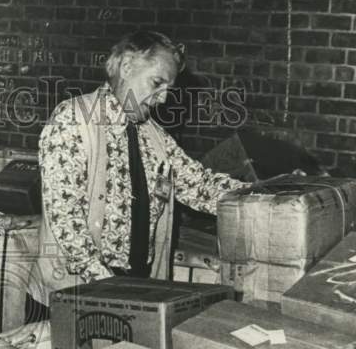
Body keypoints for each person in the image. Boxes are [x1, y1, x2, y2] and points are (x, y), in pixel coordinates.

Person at [26, 30, 246, 321]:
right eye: (157, 82)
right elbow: (66, 222)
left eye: (169, 87)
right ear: (127, 67)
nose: (164, 98)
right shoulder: (73, 119)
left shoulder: (153, 136)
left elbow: (199, 186)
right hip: (74, 295)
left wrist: (264, 194)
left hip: (130, 292)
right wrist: (112, 291)